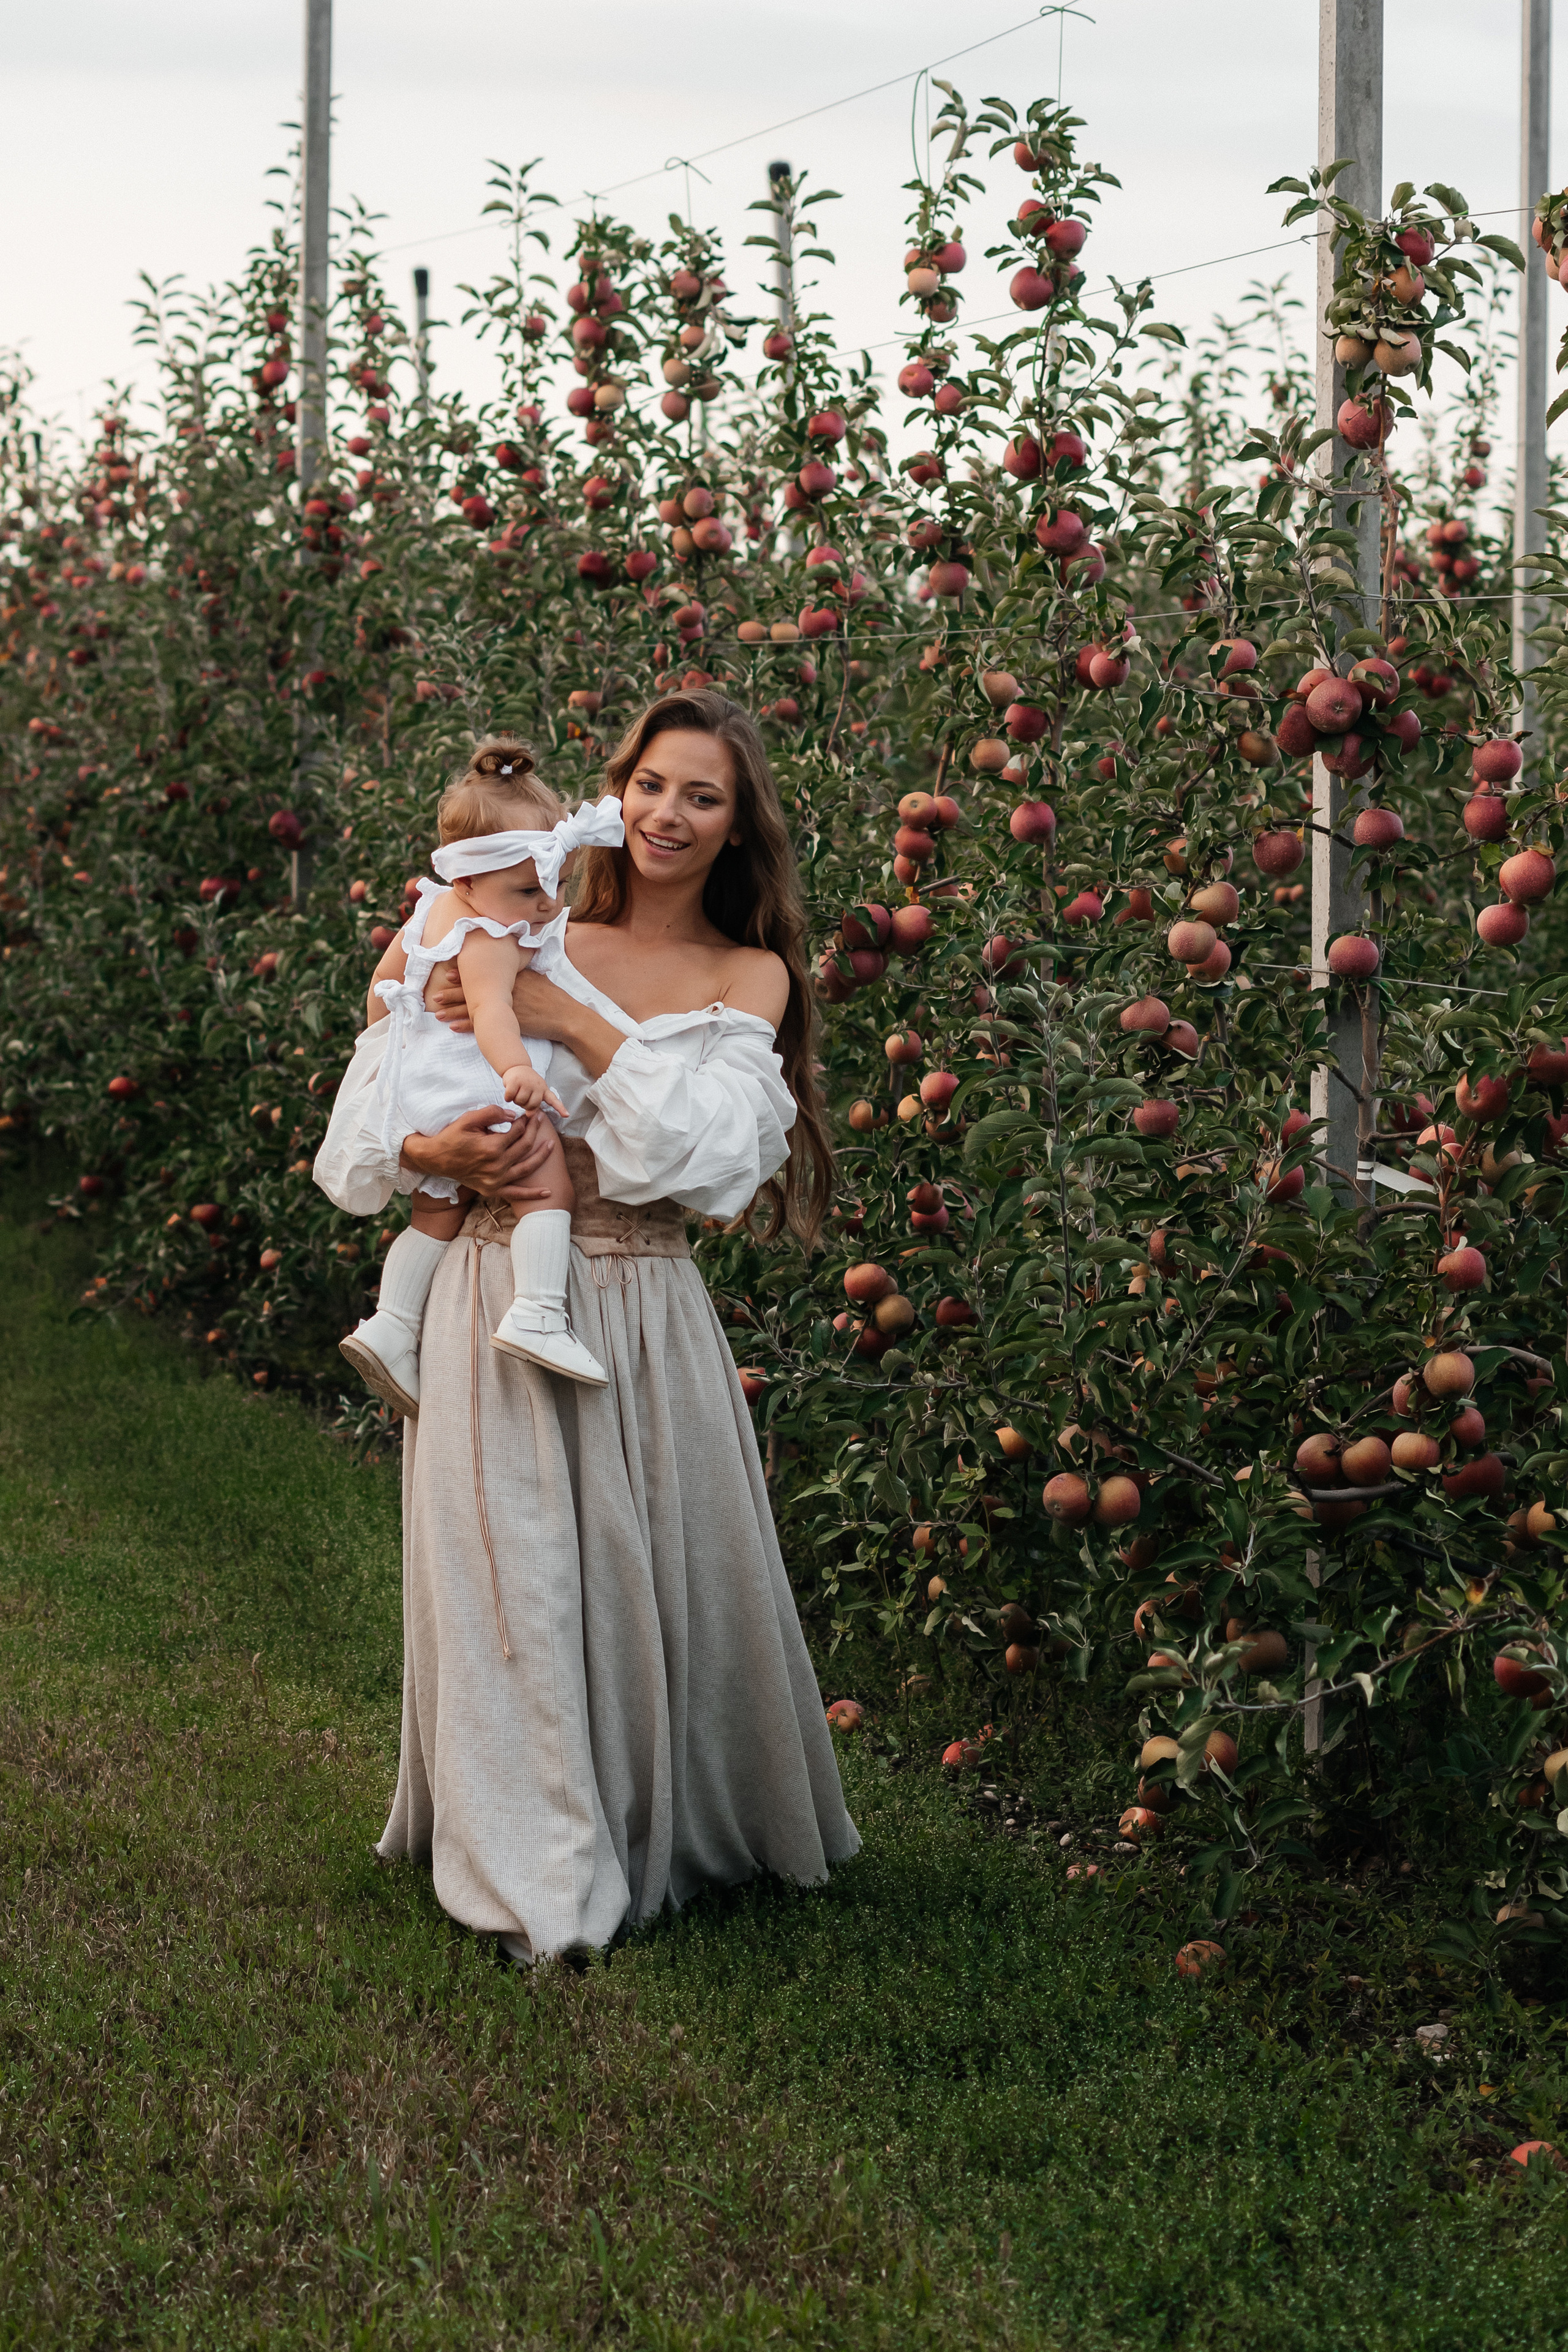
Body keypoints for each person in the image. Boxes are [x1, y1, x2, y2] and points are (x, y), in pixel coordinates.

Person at [315, 688, 859, 1961]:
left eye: (704, 796)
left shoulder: (746, 974)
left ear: (738, 828)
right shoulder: (516, 919)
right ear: (617, 793)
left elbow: (705, 1159)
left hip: (640, 1301)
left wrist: (567, 1021)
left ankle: (649, 1821)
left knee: (640, 1577)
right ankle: (540, 1874)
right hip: (489, 1290)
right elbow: (372, 1098)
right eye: (654, 785)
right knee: (509, 1578)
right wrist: (424, 1144)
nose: (670, 815)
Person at [334, 741, 625, 1409]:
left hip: (423, 1088)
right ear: (468, 880)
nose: (548, 904)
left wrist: (404, 1040)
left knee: (435, 1211)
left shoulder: (432, 910)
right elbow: (494, 1010)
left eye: (555, 882)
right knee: (545, 1181)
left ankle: (391, 1326)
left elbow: (381, 990)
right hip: (478, 1081)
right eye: (528, 889)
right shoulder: (494, 934)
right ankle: (539, 1312)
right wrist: (517, 1069)